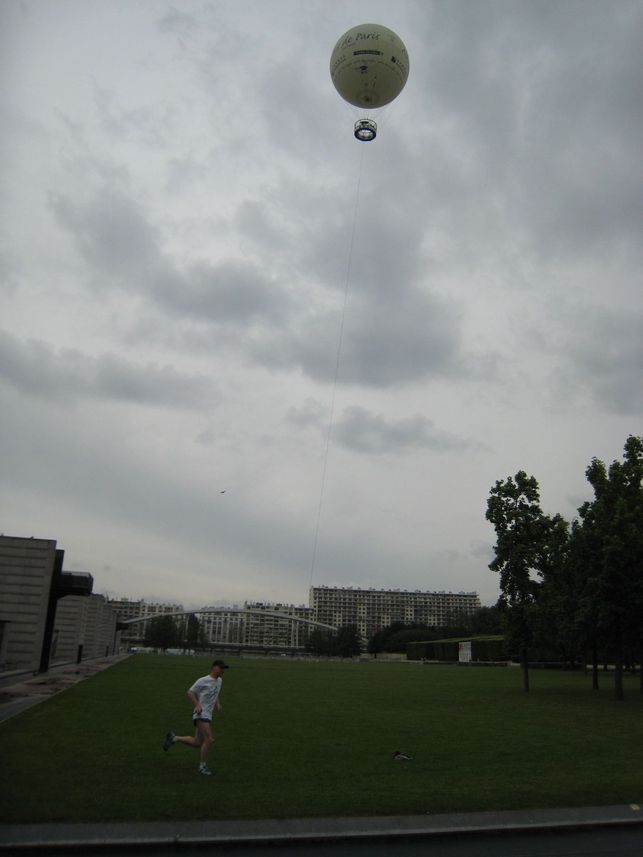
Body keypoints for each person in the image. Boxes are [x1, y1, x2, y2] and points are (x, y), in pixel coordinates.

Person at [163, 659, 229, 776]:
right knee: (209, 739)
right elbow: (190, 692)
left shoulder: (219, 681)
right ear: (214, 668)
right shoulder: (203, 680)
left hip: (208, 715)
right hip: (201, 714)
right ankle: (202, 767)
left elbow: (215, 692)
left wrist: (217, 703)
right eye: (221, 668)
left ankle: (174, 738)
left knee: (197, 742)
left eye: (224, 668)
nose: (223, 670)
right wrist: (197, 704)